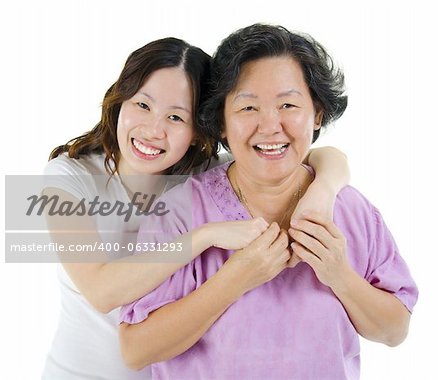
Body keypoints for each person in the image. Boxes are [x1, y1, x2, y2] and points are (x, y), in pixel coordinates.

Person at [118, 24, 419, 380]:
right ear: (222, 123)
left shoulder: (351, 210)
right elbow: (136, 350)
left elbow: (394, 331)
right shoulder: (182, 212)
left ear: (317, 114)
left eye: (288, 104)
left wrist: (339, 274)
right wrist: (235, 278)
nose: (270, 126)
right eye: (248, 108)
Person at [41, 37, 350, 379]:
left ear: (198, 131)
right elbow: (102, 292)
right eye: (142, 105)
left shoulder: (204, 174)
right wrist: (204, 236)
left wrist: (323, 191)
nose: (153, 130)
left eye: (175, 116)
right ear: (119, 101)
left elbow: (320, 156)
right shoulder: (69, 177)